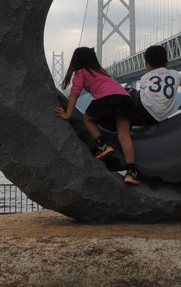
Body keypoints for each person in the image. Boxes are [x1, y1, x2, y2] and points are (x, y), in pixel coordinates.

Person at [55, 46, 140, 185]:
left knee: (88, 118)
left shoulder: (81, 73)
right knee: (124, 135)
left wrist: (67, 114)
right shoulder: (101, 71)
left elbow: (75, 94)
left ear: (76, 60)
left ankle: (103, 145)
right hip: (126, 98)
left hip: (106, 98)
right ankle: (132, 172)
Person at [129, 44, 181, 125]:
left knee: (129, 92)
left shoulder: (145, 77)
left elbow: (142, 95)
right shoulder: (175, 73)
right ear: (167, 63)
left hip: (144, 110)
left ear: (147, 65)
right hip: (161, 116)